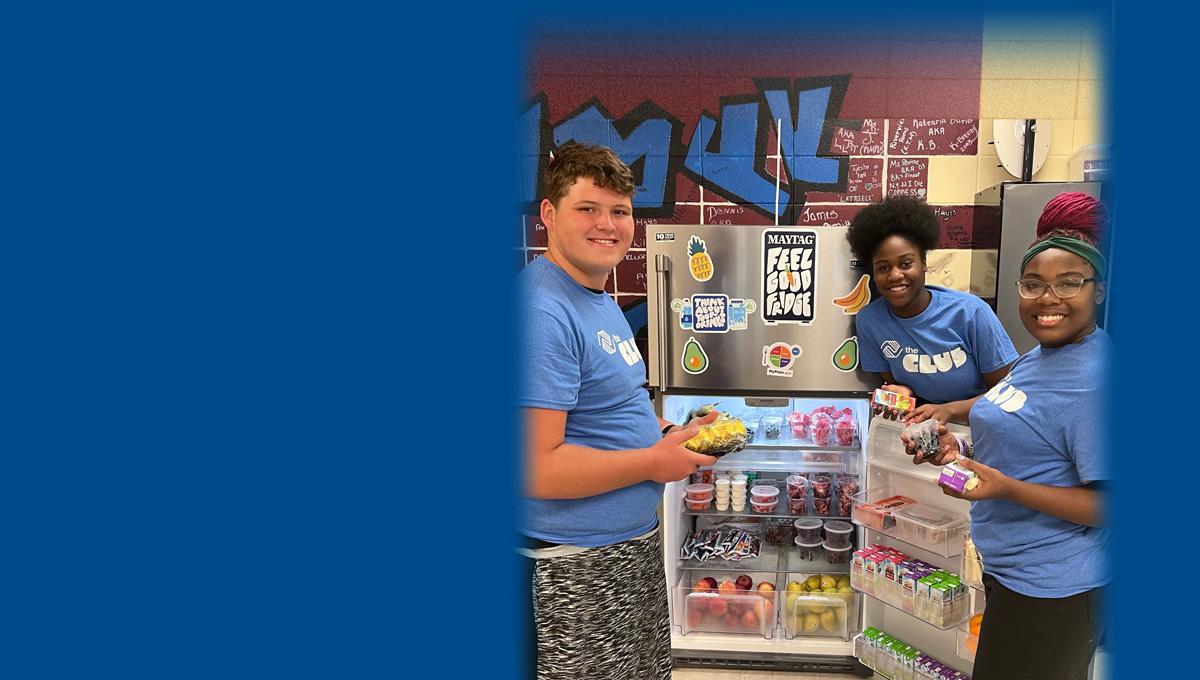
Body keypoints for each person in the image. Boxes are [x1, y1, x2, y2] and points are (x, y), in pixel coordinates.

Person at [515, 142, 719, 680]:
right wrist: (653, 463)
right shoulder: (541, 311)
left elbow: (608, 405)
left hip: (623, 547)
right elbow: (535, 466)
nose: (607, 224)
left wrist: (672, 434)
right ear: (549, 216)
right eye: (588, 209)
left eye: (620, 211)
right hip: (572, 562)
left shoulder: (593, 296)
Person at [903, 191, 1111, 680]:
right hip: (1012, 571)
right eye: (1034, 284)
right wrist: (959, 449)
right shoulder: (1039, 358)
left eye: (1069, 284)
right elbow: (1033, 441)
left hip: (1053, 588)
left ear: (1098, 291)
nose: (1048, 299)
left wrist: (1005, 488)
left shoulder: (1100, 380)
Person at [846, 195, 1019, 425]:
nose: (895, 275)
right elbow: (902, 388)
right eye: (884, 267)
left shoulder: (970, 313)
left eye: (906, 264)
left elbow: (1008, 393)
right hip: (922, 430)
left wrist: (948, 411)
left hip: (982, 429)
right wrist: (903, 393)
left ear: (924, 263)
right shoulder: (870, 320)